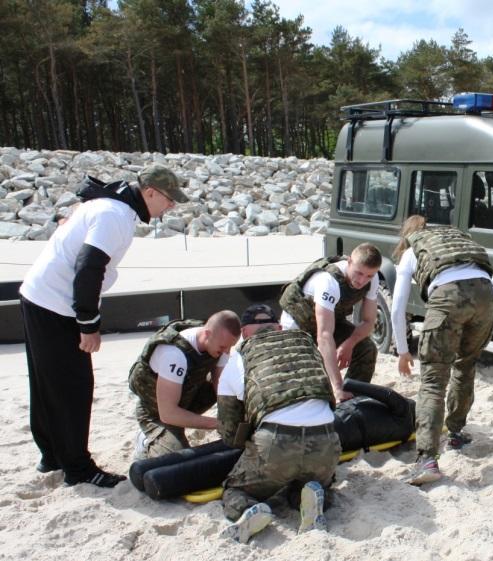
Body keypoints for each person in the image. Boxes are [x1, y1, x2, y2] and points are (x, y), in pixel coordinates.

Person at [19, 164, 186, 487]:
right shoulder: (114, 215)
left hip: (38, 296)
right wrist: (88, 323)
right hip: (56, 304)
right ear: (149, 192)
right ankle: (77, 467)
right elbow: (89, 268)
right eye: (168, 198)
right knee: (74, 387)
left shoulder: (109, 205)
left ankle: (52, 454)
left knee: (47, 383)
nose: (172, 206)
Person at [391, 215, 493, 485]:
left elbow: (398, 304)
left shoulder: (413, 249)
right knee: (466, 365)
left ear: (408, 234)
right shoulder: (456, 239)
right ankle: (456, 433)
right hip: (486, 295)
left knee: (433, 381)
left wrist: (403, 350)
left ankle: (427, 459)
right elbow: (490, 283)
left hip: (447, 296)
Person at [216, 325, 341, 544]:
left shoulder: (238, 360)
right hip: (326, 441)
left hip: (276, 443)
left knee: (234, 490)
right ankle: (308, 500)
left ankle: (251, 509)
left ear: (246, 335)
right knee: (316, 485)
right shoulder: (306, 345)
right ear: (279, 329)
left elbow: (229, 431)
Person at [129, 311, 241, 459]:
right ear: (207, 334)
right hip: (155, 411)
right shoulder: (174, 354)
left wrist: (234, 419)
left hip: (186, 396)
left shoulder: (215, 341)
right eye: (223, 347)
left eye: (230, 347)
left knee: (228, 385)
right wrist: (218, 424)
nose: (226, 351)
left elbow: (221, 386)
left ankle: (177, 428)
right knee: (174, 458)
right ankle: (145, 439)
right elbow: (168, 413)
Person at [279, 242, 382, 402]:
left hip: (330, 321)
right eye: (359, 273)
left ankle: (353, 399)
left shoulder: (372, 278)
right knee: (306, 380)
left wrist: (349, 344)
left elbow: (369, 321)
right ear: (349, 261)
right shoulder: (328, 282)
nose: (362, 280)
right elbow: (324, 336)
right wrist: (337, 386)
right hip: (298, 325)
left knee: (366, 348)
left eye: (368, 276)